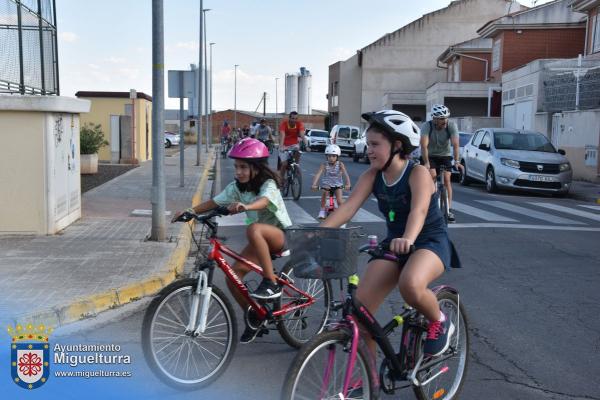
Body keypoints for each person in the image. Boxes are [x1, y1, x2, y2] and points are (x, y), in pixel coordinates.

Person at [321, 110, 461, 358]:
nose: (369, 150)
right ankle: (365, 383)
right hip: (394, 244)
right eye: (368, 143)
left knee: (411, 284)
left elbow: (418, 210)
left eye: (375, 144)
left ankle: (439, 321)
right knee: (360, 314)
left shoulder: (417, 173)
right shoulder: (372, 176)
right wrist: (317, 233)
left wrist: (407, 238)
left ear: (397, 145)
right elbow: (348, 208)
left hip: (428, 241)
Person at [172, 138, 292, 343]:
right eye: (236, 166)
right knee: (232, 277)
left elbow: (264, 201)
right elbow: (214, 201)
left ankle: (270, 281)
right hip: (258, 240)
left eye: (243, 167)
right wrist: (190, 211)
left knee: (254, 228)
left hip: (279, 235)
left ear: (257, 167)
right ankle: (255, 314)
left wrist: (247, 207)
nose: (238, 171)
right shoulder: (237, 187)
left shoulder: (268, 184)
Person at [419, 104, 464, 223]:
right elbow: (423, 145)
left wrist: (457, 161)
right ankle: (431, 206)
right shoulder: (427, 126)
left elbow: (455, 144)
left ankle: (449, 210)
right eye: (441, 119)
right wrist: (427, 163)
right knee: (432, 176)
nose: (444, 121)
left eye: (445, 118)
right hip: (429, 155)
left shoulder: (451, 125)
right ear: (434, 119)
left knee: (447, 179)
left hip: (445, 155)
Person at [311, 144, 351, 219]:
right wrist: (314, 184)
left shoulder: (340, 164)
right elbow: (318, 174)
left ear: (337, 157)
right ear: (326, 156)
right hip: (327, 184)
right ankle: (322, 210)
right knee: (325, 193)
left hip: (338, 184)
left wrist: (348, 184)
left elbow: (345, 173)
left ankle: (342, 213)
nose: (331, 158)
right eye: (329, 156)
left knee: (339, 200)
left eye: (333, 156)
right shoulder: (324, 164)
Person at [278, 111, 305, 181]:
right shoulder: (284, 124)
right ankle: (281, 179)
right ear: (289, 118)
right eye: (292, 118)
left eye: (296, 118)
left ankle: (296, 167)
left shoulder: (299, 124)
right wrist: (281, 147)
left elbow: (302, 135)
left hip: (294, 144)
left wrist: (307, 145)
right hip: (284, 145)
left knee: (298, 150)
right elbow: (282, 136)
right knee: (284, 164)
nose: (294, 120)